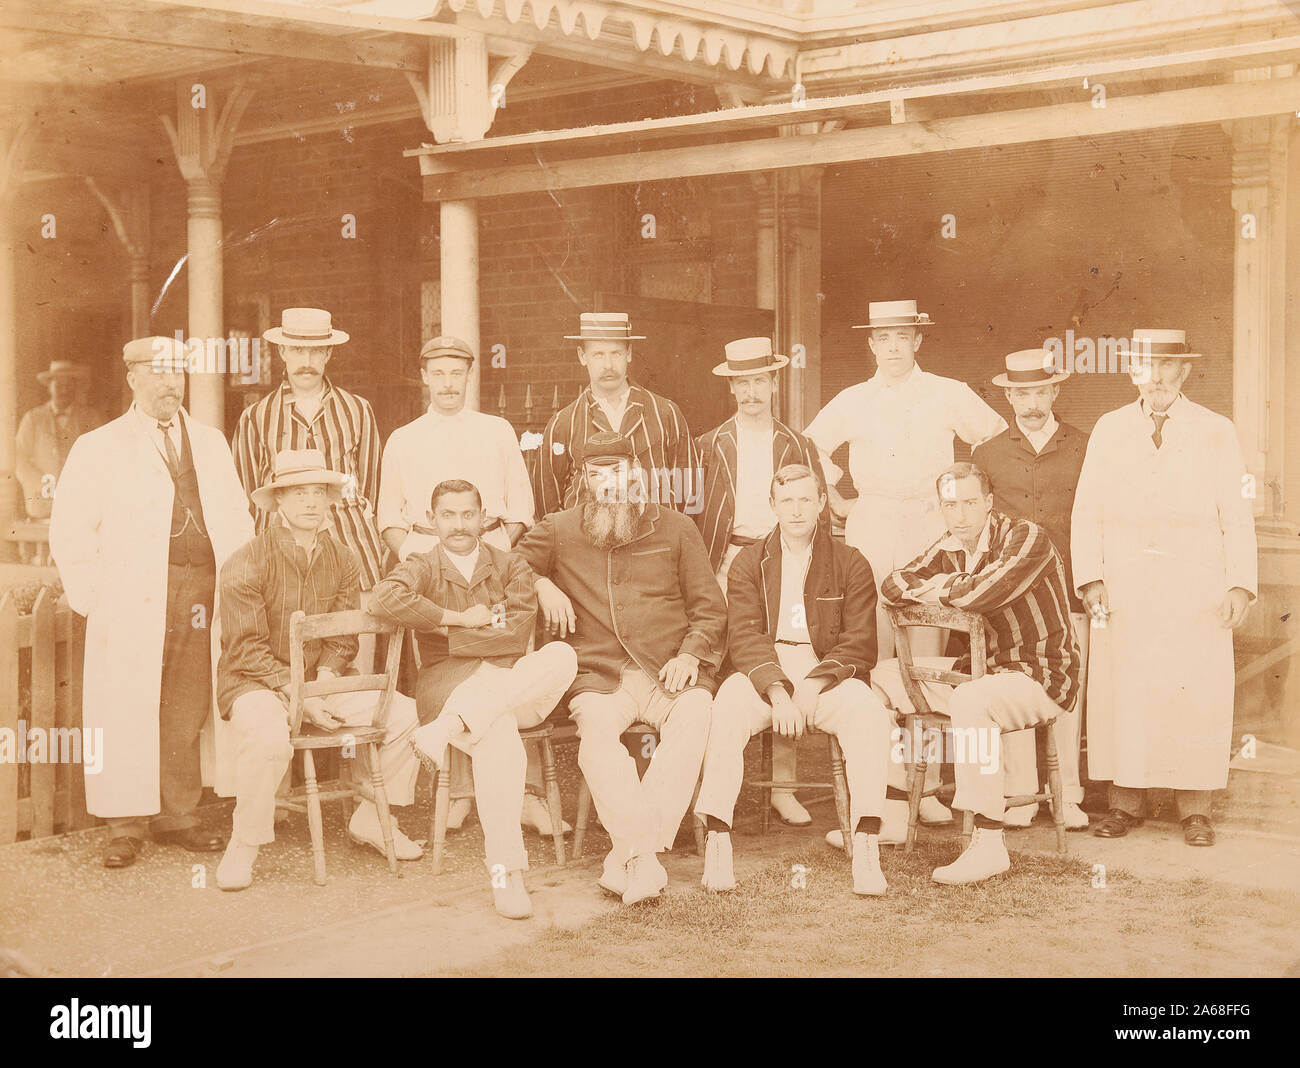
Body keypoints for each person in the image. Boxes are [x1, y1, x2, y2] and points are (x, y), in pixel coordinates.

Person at [50, 336, 253, 869]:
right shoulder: (99, 446)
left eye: (178, 372)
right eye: (158, 372)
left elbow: (236, 516)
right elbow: (70, 529)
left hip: (200, 589)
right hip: (131, 596)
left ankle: (178, 816)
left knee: (186, 702)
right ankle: (126, 824)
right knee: (127, 703)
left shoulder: (209, 442)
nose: (170, 383)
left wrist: (233, 581)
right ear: (132, 378)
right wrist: (96, 599)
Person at [806, 299, 1005, 826]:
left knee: (929, 646)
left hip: (930, 520)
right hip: (871, 520)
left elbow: (995, 440)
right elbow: (808, 449)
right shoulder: (853, 399)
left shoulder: (947, 392)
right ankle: (881, 783)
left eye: (902, 337)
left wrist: (964, 503)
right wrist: (840, 502)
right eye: (883, 338)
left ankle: (930, 786)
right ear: (870, 344)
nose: (893, 347)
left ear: (919, 340)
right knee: (870, 644)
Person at [515, 431, 727, 905]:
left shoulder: (674, 527)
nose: (608, 483)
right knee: (597, 742)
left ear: (636, 473)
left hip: (668, 668)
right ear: (583, 480)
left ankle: (627, 857)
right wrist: (541, 584)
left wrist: (691, 653)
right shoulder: (560, 527)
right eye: (595, 473)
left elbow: (710, 607)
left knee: (696, 716)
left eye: (617, 471)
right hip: (599, 673)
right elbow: (508, 565)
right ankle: (643, 857)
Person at [1072, 329, 1256, 847]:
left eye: (1164, 367)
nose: (1153, 377)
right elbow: (1087, 509)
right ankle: (1125, 802)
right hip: (1126, 587)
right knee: (1125, 692)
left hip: (1196, 588)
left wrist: (1239, 583)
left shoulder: (1215, 430)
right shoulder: (1109, 430)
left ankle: (1194, 807)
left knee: (1195, 693)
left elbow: (1235, 513)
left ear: (1184, 372)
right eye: (1143, 366)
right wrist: (1092, 577)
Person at [378, 335, 561, 837]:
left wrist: (495, 557)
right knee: (451, 665)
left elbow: (521, 510)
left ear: (469, 375)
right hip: (429, 562)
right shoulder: (403, 438)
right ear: (424, 377)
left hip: (491, 558)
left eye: (456, 372)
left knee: (506, 664)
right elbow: (389, 516)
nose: (448, 383)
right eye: (438, 373)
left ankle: (523, 795)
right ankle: (461, 792)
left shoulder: (497, 431)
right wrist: (421, 563)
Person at [214, 449, 423, 891]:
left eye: (318, 492)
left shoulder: (344, 559)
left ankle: (371, 815)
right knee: (270, 738)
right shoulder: (246, 560)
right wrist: (299, 697)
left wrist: (325, 679)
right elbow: (244, 648)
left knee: (405, 715)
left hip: (317, 683)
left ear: (330, 499)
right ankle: (244, 844)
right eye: (297, 493)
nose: (310, 502)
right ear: (278, 502)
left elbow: (343, 637)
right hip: (256, 682)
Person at [371, 479, 578, 919]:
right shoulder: (421, 565)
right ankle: (508, 875)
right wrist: (455, 618)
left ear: (484, 518)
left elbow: (516, 632)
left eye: (468, 514)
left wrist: (445, 636)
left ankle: (447, 730)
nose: (459, 524)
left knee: (561, 654)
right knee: (497, 732)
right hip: (451, 689)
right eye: (448, 514)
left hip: (507, 686)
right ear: (431, 519)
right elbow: (384, 598)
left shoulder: (510, 565)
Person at [874, 463, 1081, 885]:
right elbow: (892, 585)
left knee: (972, 699)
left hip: (1040, 673)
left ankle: (988, 843)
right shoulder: (949, 545)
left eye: (970, 503)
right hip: (983, 673)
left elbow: (984, 593)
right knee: (883, 678)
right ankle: (896, 810)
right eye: (951, 505)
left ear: (989, 502)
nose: (961, 515)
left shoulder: (1026, 537)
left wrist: (942, 587)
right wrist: (943, 584)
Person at [694, 464, 892, 896]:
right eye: (787, 500)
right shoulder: (749, 562)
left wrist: (813, 684)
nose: (797, 510)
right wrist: (780, 692)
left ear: (823, 503)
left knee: (872, 716)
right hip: (766, 667)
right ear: (772, 506)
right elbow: (745, 635)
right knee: (726, 707)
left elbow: (859, 643)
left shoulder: (851, 561)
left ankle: (866, 843)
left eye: (806, 499)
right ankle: (718, 840)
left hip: (825, 670)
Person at [694, 336, 828, 827]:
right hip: (725, 557)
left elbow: (817, 507)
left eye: (759, 381)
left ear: (774, 382)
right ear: (731, 388)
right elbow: (694, 513)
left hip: (780, 558)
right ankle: (713, 784)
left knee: (781, 652)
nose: (751, 391)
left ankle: (784, 787)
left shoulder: (797, 444)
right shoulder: (708, 444)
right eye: (741, 382)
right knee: (718, 661)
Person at [971, 349, 1090, 831]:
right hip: (1011, 596)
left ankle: (1069, 796)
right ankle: (1020, 795)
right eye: (1021, 393)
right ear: (1008, 396)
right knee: (1011, 683)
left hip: (1069, 588)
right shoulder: (988, 453)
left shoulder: (1086, 446)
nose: (1031, 401)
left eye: (1040, 390)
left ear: (1055, 391)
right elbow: (982, 529)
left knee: (1067, 686)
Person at [232, 307, 384, 591]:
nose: (307, 361)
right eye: (298, 351)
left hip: (351, 545)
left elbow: (371, 488)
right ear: (282, 352)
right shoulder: (256, 416)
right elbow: (248, 495)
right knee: (288, 627)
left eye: (316, 352)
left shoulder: (358, 410)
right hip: (280, 552)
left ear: (328, 354)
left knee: (353, 630)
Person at [533, 312, 699, 517]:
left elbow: (690, 490)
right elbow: (547, 505)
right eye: (598, 354)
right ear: (582, 356)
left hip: (654, 540)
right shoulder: (564, 422)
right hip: (587, 544)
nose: (608, 365)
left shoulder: (665, 413)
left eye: (616, 353)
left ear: (629, 354)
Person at [16, 360, 96, 520]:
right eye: (59, 385)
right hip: (42, 508)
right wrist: (44, 485)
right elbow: (18, 459)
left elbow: (104, 457)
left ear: (76, 387)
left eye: (69, 385)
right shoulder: (33, 418)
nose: (64, 390)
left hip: (81, 507)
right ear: (49, 386)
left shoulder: (91, 418)